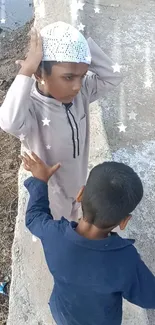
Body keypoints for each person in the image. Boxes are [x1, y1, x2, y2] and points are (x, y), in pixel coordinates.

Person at [0, 22, 122, 220]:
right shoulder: (31, 108)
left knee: (78, 221)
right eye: (68, 77)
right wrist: (27, 70)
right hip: (52, 193)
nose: (76, 86)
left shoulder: (82, 93)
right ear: (39, 74)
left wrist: (80, 46)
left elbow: (113, 76)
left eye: (82, 76)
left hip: (79, 181)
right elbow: (8, 122)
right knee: (60, 232)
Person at [21, 151, 155, 325]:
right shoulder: (125, 260)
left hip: (62, 313)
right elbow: (150, 297)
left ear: (80, 195)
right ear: (124, 221)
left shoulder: (53, 234)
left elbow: (34, 217)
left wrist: (40, 181)